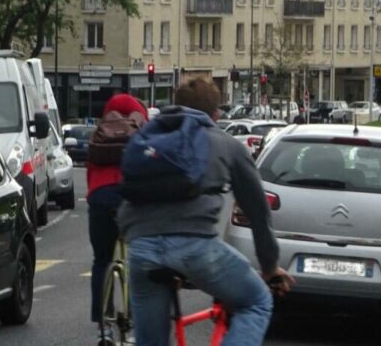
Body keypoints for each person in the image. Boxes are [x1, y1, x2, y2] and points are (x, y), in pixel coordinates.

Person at [118, 78, 294, 346]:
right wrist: (270, 267)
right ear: (216, 114)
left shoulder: (148, 138)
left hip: (142, 248)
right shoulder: (226, 144)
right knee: (257, 301)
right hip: (196, 248)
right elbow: (258, 212)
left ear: (175, 106)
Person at [86, 94, 148, 342]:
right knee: (137, 259)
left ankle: (103, 327)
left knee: (101, 261)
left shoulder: (98, 136)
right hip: (130, 199)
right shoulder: (142, 135)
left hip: (100, 198)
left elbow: (90, 176)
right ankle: (132, 323)